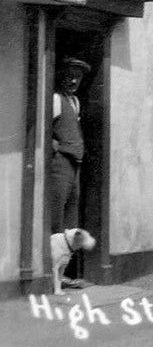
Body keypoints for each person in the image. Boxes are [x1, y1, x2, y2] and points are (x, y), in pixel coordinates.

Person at [49, 57, 89, 236]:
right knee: (56, 211)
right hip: (61, 163)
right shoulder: (56, 99)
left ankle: (67, 252)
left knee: (71, 212)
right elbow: (44, 128)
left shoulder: (74, 101)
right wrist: (53, 144)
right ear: (61, 76)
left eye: (78, 77)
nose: (74, 81)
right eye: (69, 76)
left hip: (75, 164)